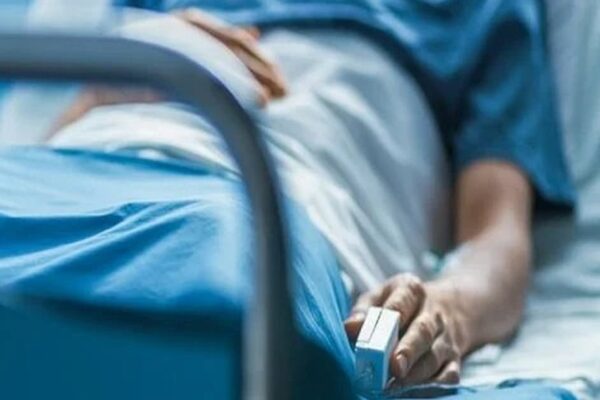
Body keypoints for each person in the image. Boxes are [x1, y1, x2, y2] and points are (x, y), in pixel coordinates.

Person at [44, 0, 574, 389]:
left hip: (276, 195)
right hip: (81, 166)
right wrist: (124, 69)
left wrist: (450, 309)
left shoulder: (480, 10)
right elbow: (49, 141)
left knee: (203, 308)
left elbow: (496, 234)